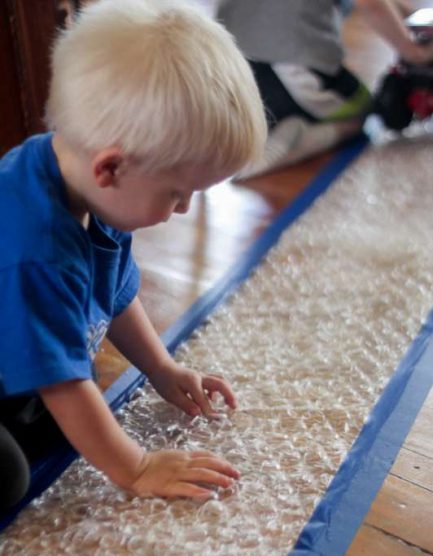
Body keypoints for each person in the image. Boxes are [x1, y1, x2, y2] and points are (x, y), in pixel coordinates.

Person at [0, 0, 267, 512]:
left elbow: (114, 293)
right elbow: (61, 379)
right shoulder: (36, 248)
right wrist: (136, 467)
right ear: (111, 169)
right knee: (9, 476)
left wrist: (162, 369)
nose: (184, 209)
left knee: (78, 418)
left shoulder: (88, 186)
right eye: (176, 193)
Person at [217, 0, 433, 177]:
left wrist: (416, 16)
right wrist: (414, 52)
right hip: (290, 71)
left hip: (231, 69)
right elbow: (370, 3)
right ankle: (295, 135)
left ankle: (269, 122)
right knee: (364, 108)